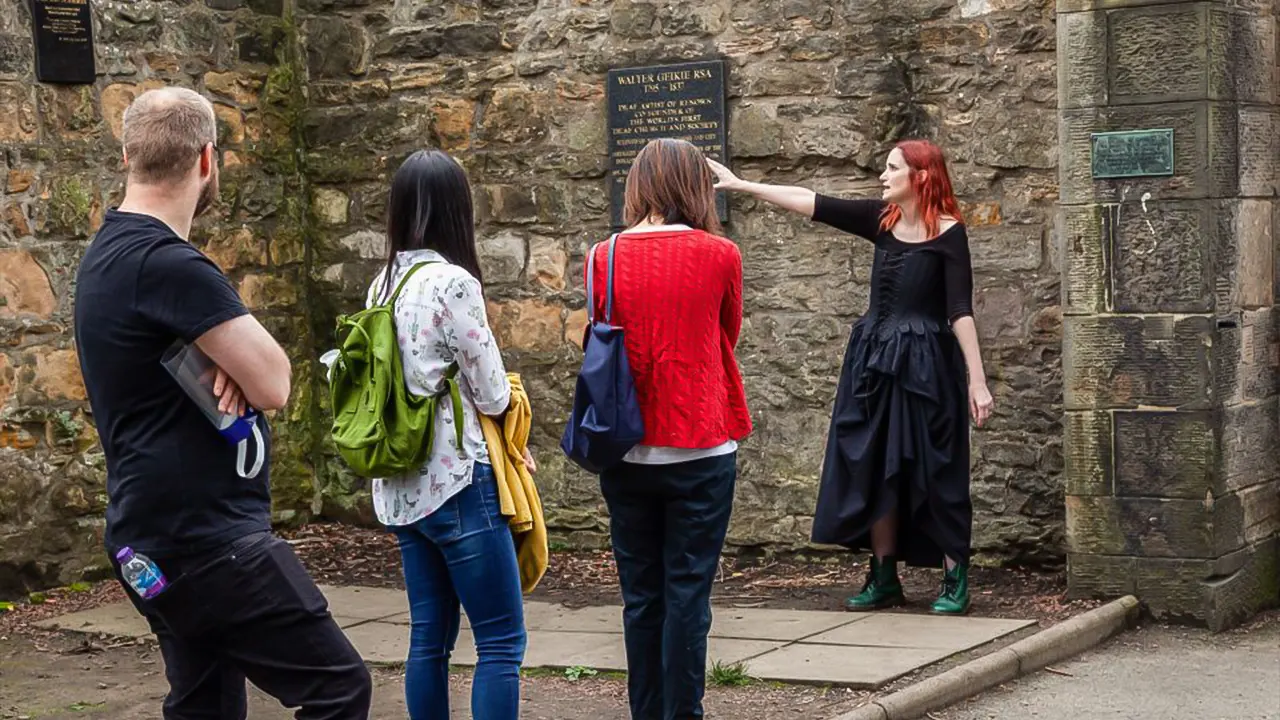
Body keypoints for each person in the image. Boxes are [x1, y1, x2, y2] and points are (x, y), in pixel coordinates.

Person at [74, 87, 372, 718]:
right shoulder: (168, 264)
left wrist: (215, 358)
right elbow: (276, 384)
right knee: (339, 688)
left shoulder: (106, 254)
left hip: (152, 538)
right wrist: (230, 364)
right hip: (207, 543)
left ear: (127, 154)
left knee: (204, 704)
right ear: (209, 159)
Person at [708, 139, 994, 616]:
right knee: (872, 462)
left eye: (891, 168)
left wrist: (977, 381)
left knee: (937, 466)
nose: (882, 176)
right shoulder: (879, 220)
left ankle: (954, 574)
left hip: (926, 366)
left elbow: (960, 310)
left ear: (920, 176)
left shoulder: (949, 233)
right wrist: (741, 185)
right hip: (873, 361)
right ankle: (884, 576)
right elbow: (809, 201)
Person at [588, 138, 752, 720]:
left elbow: (603, 335)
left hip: (625, 445)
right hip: (703, 443)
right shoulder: (721, 254)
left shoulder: (602, 256)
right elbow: (725, 335)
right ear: (694, 186)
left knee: (640, 597)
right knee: (688, 594)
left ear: (638, 185)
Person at [364, 149, 529, 720]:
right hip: (460, 480)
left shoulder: (381, 284)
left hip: (402, 487)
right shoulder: (453, 282)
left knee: (428, 639)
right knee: (501, 641)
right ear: (458, 210)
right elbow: (491, 394)